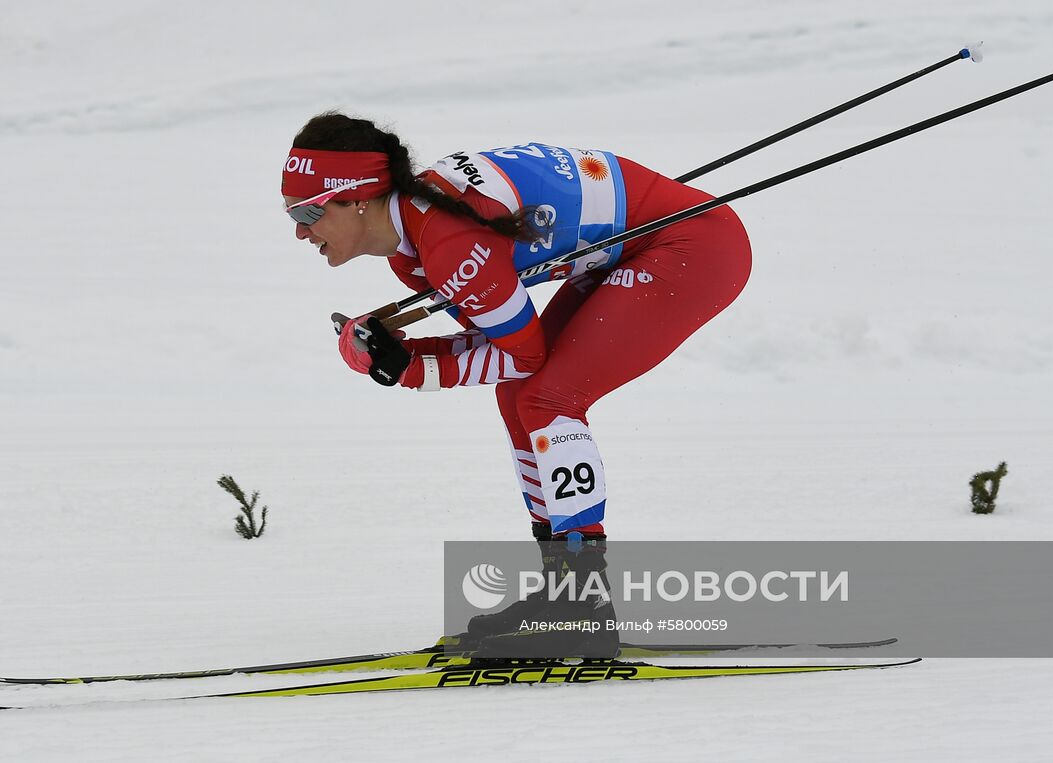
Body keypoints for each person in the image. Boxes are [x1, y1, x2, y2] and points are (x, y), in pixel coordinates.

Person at [282, 112, 752, 658]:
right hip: (633, 246)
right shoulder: (415, 252)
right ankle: (565, 593)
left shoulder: (447, 244)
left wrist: (407, 366)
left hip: (692, 247)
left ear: (358, 198)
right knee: (521, 397)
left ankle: (581, 605)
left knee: (548, 398)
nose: (300, 231)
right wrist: (403, 358)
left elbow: (521, 356)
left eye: (309, 211)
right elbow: (505, 355)